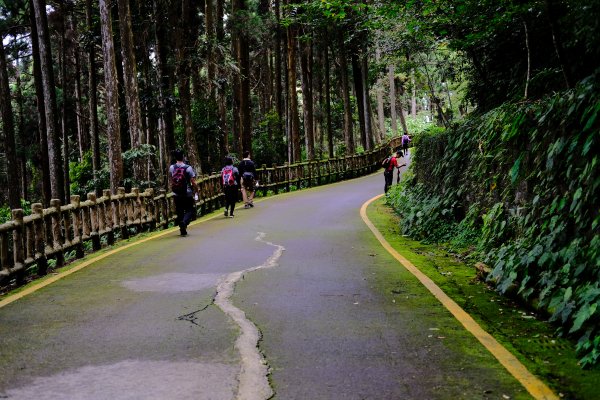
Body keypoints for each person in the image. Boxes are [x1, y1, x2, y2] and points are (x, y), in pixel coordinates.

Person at [169, 149, 199, 236]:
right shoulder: (188, 168)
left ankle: (183, 229)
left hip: (176, 193)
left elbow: (171, 179)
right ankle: (184, 223)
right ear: (183, 157)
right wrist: (196, 190)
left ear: (175, 157)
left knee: (180, 211)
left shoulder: (172, 167)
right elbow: (193, 181)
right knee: (190, 210)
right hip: (187, 193)